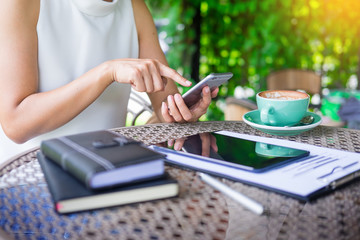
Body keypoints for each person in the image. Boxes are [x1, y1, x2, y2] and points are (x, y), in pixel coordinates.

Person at [0, 0, 218, 161]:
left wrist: (183, 112)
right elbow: (16, 123)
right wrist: (107, 72)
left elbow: (166, 109)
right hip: (30, 175)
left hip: (108, 171)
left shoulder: (134, 7)